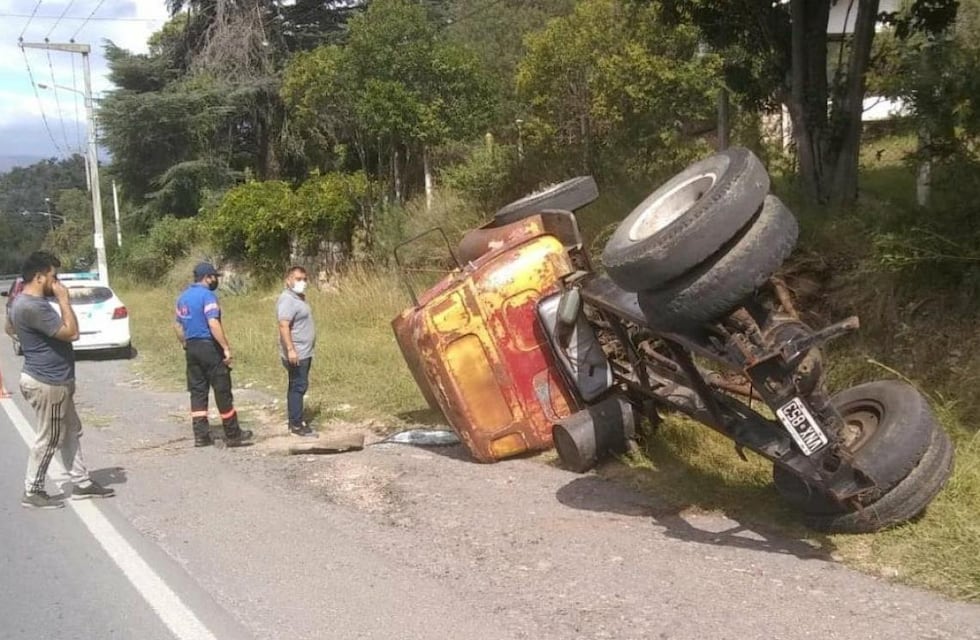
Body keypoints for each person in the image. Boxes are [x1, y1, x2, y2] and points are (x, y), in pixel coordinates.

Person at [6, 251, 114, 509]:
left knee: (70, 431)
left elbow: (9, 328)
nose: (58, 283)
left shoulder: (20, 302)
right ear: (39, 277)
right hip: (49, 383)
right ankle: (33, 490)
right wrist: (65, 301)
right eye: (54, 277)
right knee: (51, 437)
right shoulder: (34, 306)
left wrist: (32, 342)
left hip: (51, 379)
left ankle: (81, 482)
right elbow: (72, 333)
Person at [173, 262, 252, 448]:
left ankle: (201, 436)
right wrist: (225, 347)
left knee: (198, 392)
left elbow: (177, 325)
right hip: (209, 347)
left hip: (192, 348)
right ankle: (233, 434)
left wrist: (185, 343)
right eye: (214, 277)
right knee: (222, 390)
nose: (216, 280)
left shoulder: (182, 298)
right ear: (207, 277)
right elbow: (213, 323)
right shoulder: (208, 296)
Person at [277, 266, 316, 437]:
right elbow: (283, 325)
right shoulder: (287, 299)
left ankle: (296, 419)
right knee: (298, 386)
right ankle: (296, 424)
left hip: (304, 350)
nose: (302, 282)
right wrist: (291, 350)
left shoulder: (298, 298)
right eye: (298, 279)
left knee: (297, 384)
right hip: (297, 351)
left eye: (304, 279)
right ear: (288, 280)